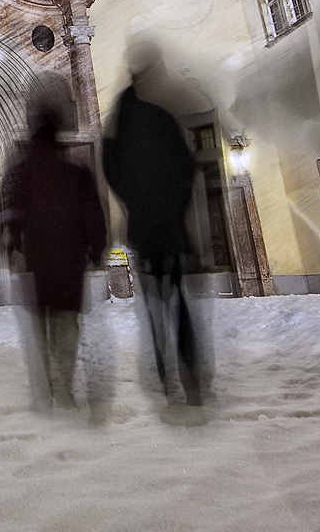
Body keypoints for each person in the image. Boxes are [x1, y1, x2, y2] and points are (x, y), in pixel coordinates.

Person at [0, 72, 106, 412]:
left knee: (42, 325)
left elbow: (7, 212)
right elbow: (95, 218)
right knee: (65, 324)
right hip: (69, 261)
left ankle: (46, 390)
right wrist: (96, 251)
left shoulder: (22, 172)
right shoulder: (77, 173)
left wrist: (12, 246)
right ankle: (65, 386)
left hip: (39, 259)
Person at [103, 80, 204, 406]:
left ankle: (166, 376)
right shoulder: (162, 121)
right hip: (170, 231)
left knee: (156, 308)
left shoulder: (124, 130)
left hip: (147, 233)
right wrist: (176, 209)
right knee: (179, 306)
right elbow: (187, 166)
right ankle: (192, 376)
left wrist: (133, 204)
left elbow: (110, 168)